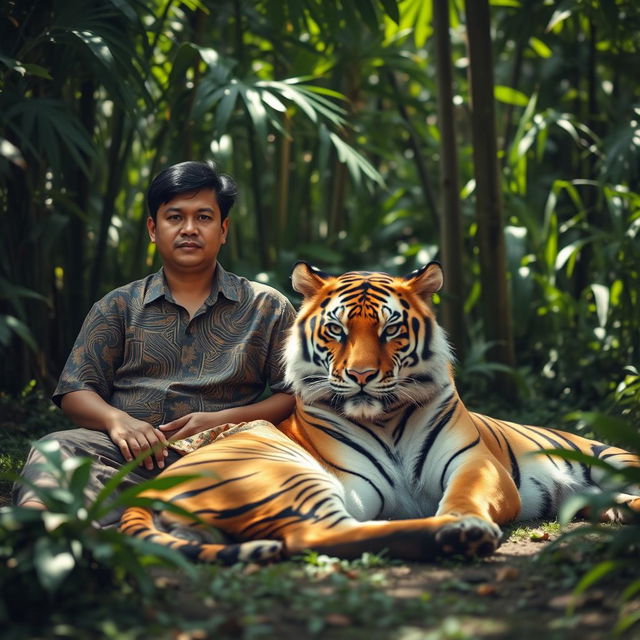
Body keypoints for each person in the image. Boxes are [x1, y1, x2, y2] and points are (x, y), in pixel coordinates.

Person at [13, 160, 296, 526]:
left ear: (224, 229)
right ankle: (33, 536)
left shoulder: (266, 306)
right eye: (175, 217)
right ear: (153, 228)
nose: (189, 229)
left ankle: (134, 525)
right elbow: (75, 390)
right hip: (124, 456)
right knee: (56, 449)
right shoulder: (118, 305)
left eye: (204, 218)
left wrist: (222, 422)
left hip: (226, 456)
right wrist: (117, 422)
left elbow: (292, 395)